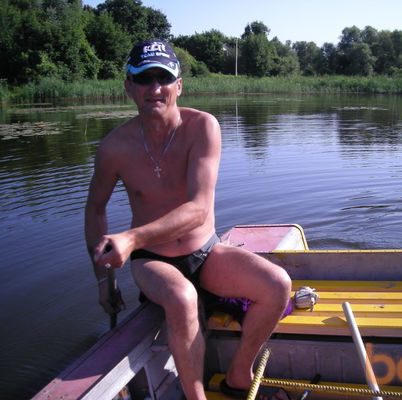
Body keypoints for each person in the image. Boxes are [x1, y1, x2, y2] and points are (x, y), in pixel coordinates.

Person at [84, 39, 292, 400]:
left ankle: (239, 374)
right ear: (129, 87)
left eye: (163, 78)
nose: (155, 88)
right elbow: (95, 209)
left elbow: (198, 209)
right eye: (144, 79)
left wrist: (130, 238)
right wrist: (104, 281)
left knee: (277, 284)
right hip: (153, 260)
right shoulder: (113, 148)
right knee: (182, 298)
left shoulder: (203, 127)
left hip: (206, 252)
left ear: (178, 85)